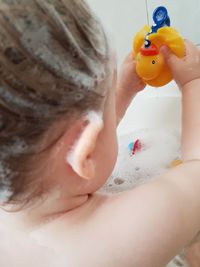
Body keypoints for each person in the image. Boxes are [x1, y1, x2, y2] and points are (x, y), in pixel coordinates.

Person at [0, 1, 200, 266]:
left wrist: (123, 89)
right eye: (107, 100)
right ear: (86, 151)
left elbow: (84, 142)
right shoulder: (124, 235)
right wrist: (192, 83)